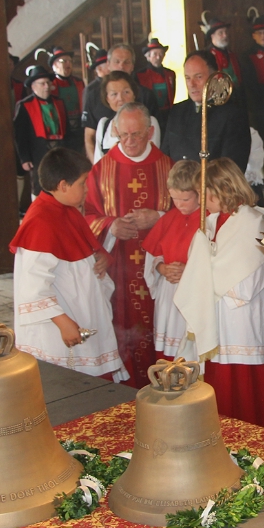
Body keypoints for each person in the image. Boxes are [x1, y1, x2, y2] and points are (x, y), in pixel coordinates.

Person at [181, 157, 264, 429]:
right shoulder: (210, 222)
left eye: (203, 192)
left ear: (222, 188)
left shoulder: (251, 223)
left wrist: (206, 273)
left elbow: (246, 287)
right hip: (218, 319)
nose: (200, 200)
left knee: (244, 395)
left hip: (242, 323)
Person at [10, 147, 124, 380]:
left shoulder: (66, 211)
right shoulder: (41, 222)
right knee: (69, 388)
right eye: (82, 183)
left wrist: (100, 258)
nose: (87, 189)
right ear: (63, 186)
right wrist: (63, 322)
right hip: (59, 329)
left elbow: (84, 252)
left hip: (79, 313)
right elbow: (33, 287)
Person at [84, 103, 173, 388]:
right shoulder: (101, 170)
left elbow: (192, 213)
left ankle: (163, 385)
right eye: (123, 135)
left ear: (150, 132)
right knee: (121, 330)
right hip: (118, 270)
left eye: (137, 134)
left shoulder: (169, 168)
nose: (130, 141)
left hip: (159, 272)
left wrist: (159, 217)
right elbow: (85, 215)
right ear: (115, 132)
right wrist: (110, 226)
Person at [142, 160, 201, 361]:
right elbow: (154, 255)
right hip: (169, 293)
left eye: (185, 199)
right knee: (169, 357)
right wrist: (161, 268)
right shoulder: (168, 218)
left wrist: (189, 271)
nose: (179, 205)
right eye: (174, 198)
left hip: (194, 294)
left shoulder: (209, 219)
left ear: (200, 193)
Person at [162, 51, 251, 172]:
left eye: (198, 77)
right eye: (188, 78)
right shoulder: (177, 111)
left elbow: (232, 169)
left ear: (214, 78)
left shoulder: (232, 116)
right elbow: (165, 159)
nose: (192, 84)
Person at [81, 44, 159, 163]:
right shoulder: (94, 96)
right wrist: (96, 167)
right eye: (117, 61)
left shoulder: (146, 95)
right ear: (108, 63)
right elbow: (89, 137)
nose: (121, 66)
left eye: (126, 62)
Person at [14, 65, 67, 198]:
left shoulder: (59, 102)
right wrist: (24, 158)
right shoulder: (24, 105)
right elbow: (20, 135)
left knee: (60, 182)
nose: (47, 86)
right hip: (38, 151)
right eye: (42, 83)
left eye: (48, 83)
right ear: (33, 86)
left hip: (59, 149)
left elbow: (68, 129)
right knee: (39, 186)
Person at [94, 71, 160, 163]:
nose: (120, 98)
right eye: (114, 94)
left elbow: (152, 159)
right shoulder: (103, 124)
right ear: (107, 99)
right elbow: (97, 164)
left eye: (126, 92)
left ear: (134, 94)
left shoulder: (149, 122)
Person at [47, 47, 85, 153]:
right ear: (54, 65)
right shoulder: (49, 85)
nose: (68, 64)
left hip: (79, 129)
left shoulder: (78, 82)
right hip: (61, 131)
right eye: (64, 61)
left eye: (70, 61)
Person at [136, 37, 175, 133]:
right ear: (148, 56)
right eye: (155, 54)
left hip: (167, 115)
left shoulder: (170, 74)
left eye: (161, 54)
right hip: (149, 115)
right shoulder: (139, 75)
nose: (158, 57)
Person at [199, 11, 243, 91]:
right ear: (212, 35)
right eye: (220, 33)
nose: (225, 35)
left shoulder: (232, 55)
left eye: (226, 32)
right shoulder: (207, 56)